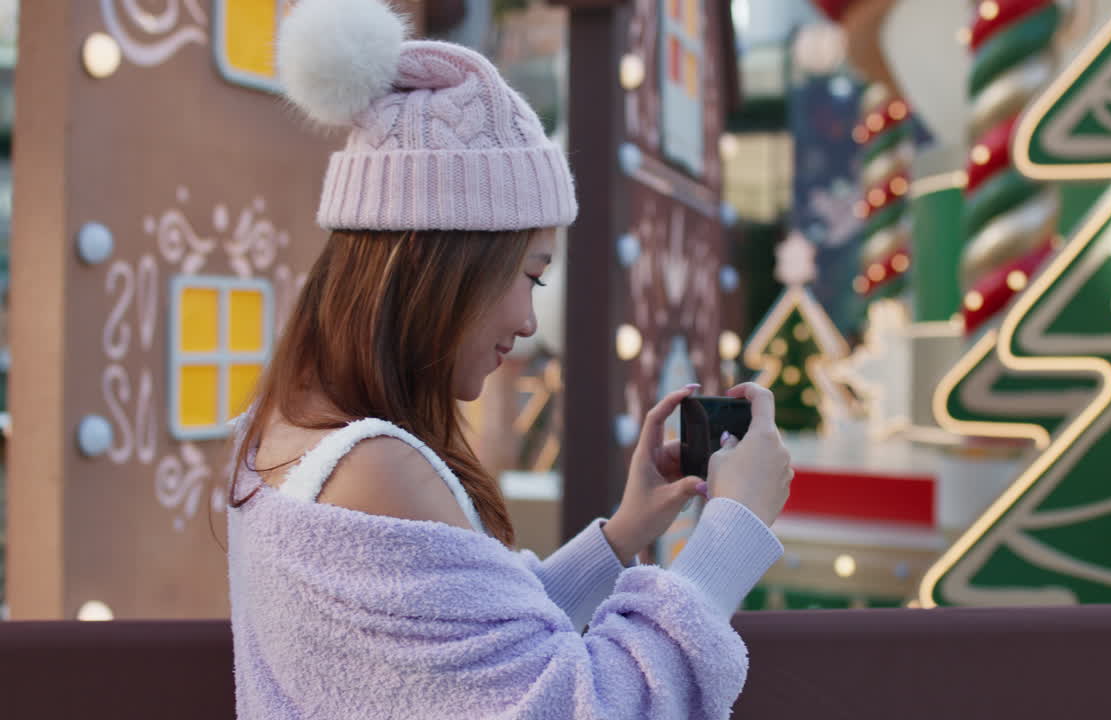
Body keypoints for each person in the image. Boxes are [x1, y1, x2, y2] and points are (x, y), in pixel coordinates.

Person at [226, 1, 794, 717]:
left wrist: (621, 537)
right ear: (449, 263)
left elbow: (467, 662)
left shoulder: (285, 429)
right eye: (530, 275)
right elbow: (581, 704)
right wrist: (734, 529)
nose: (528, 321)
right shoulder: (376, 469)